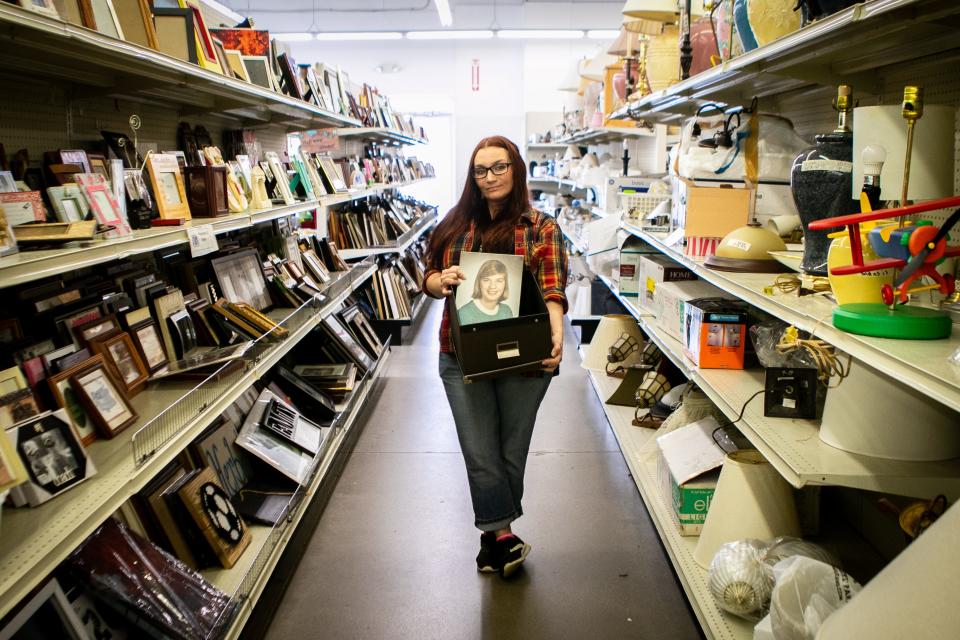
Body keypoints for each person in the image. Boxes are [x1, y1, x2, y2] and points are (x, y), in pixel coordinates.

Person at [421, 135, 567, 578]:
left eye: (499, 167)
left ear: (516, 169)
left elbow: (553, 286)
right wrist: (438, 282)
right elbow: (426, 276)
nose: (490, 178)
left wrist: (556, 337)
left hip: (525, 356)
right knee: (479, 449)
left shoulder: (542, 226)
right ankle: (502, 534)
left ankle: (493, 538)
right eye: (481, 170)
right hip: (462, 354)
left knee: (510, 448)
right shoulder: (454, 223)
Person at [457, 258, 514, 325]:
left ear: (505, 284)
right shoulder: (464, 313)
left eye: (499, 280)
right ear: (479, 283)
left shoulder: (506, 311)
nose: (492, 286)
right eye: (486, 280)